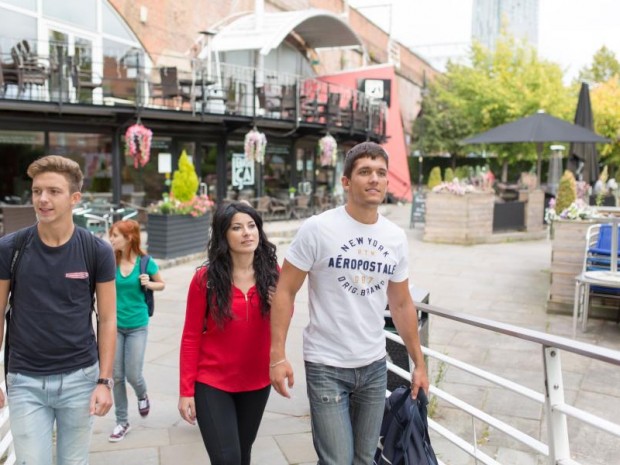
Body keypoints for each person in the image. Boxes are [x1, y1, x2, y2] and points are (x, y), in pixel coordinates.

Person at [269, 141, 430, 465]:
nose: (374, 179)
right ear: (346, 181)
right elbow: (285, 291)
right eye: (365, 171)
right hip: (326, 364)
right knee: (337, 460)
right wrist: (277, 355)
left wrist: (419, 363)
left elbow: (401, 304)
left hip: (373, 364)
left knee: (365, 458)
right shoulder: (318, 229)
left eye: (381, 173)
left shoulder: (395, 237)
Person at [0, 155, 117, 465]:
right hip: (24, 380)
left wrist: (105, 381)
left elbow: (107, 319)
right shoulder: (10, 248)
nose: (42, 199)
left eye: (53, 191)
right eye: (37, 191)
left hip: (80, 378)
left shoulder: (97, 250)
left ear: (74, 198)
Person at [178, 201, 281, 465]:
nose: (247, 233)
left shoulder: (273, 274)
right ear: (223, 235)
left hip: (257, 381)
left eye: (251, 225)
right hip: (212, 382)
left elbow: (283, 322)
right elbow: (190, 337)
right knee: (228, 459)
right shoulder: (205, 279)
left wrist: (280, 307)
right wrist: (186, 391)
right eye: (237, 228)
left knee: (243, 454)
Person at [108, 219, 165, 442]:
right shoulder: (110, 260)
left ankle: (142, 394)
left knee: (133, 374)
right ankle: (122, 422)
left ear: (129, 237)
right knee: (117, 376)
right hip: (114, 325)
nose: (111, 239)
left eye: (115, 235)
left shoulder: (145, 262)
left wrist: (149, 283)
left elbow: (161, 283)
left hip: (137, 326)